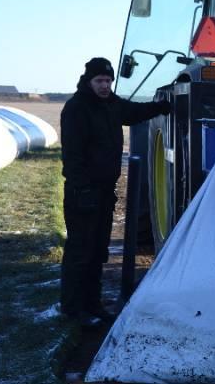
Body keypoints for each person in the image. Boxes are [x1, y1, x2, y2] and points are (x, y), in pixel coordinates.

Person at [60, 57, 170, 327]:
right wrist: (82, 188)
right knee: (80, 251)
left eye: (108, 81)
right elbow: (72, 155)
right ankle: (73, 309)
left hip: (105, 192)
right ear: (89, 81)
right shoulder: (77, 109)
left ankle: (93, 304)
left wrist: (163, 107)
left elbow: (135, 112)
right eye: (100, 81)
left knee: (98, 251)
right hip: (82, 193)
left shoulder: (112, 105)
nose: (105, 85)